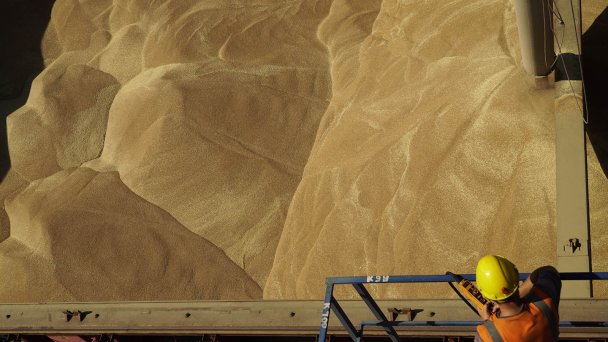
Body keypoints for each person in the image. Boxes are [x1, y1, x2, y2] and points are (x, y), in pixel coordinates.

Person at [473, 255, 562, 341]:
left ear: (486, 295)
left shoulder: (485, 335)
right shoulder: (545, 303)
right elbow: (547, 271)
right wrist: (515, 293)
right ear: (516, 277)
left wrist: (487, 322)